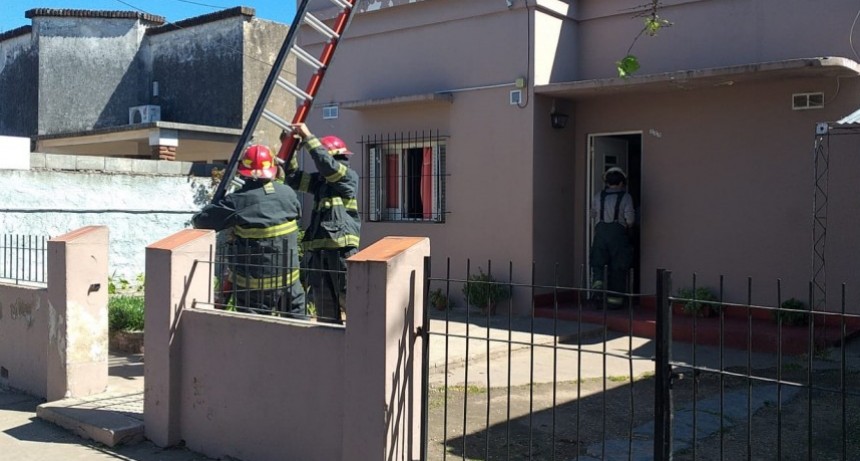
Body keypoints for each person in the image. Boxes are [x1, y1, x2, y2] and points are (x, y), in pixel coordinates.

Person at [192, 144, 305, 316]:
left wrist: (216, 205)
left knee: (255, 330)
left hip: (254, 289)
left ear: (243, 171)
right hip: (290, 282)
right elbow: (296, 213)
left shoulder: (237, 201)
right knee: (298, 328)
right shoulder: (288, 193)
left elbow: (201, 222)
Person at [284, 123, 360, 323]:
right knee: (325, 309)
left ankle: (361, 338)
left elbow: (328, 167)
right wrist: (290, 148)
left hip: (341, 251)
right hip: (319, 253)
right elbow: (293, 179)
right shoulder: (321, 182)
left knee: (351, 302)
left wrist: (309, 138)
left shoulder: (348, 177)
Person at [590, 166, 635, 309]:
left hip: (600, 236)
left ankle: (597, 295)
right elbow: (630, 220)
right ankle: (614, 303)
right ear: (621, 182)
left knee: (598, 266)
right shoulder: (626, 197)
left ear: (607, 182)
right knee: (618, 267)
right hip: (618, 237)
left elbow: (592, 214)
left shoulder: (598, 196)